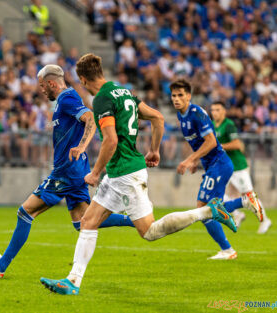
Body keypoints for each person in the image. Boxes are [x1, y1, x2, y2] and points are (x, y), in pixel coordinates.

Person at [39, 54, 237, 296]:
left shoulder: (102, 99)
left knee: (150, 232)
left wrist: (94, 172)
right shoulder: (124, 93)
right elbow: (158, 117)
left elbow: (110, 140)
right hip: (120, 173)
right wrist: (153, 149)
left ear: (83, 79)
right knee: (87, 222)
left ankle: (209, 211)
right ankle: (73, 281)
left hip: (125, 173)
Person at [0, 64, 136, 279]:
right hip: (77, 170)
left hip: (66, 172)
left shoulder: (66, 98)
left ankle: (0, 266)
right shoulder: (66, 99)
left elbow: (89, 117)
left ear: (51, 83)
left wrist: (81, 146)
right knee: (82, 221)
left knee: (26, 212)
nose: (41, 90)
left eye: (42, 86)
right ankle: (134, 218)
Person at [172, 80, 264, 260]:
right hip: (212, 165)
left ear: (189, 96)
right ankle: (228, 248)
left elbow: (212, 142)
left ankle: (244, 205)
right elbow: (199, 142)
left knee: (203, 209)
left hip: (219, 164)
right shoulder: (181, 116)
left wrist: (190, 159)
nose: (176, 99)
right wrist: (196, 161)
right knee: (210, 210)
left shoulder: (196, 113)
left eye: (181, 95)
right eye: (174, 95)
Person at [211, 101, 271, 234]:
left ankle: (264, 220)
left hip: (238, 166)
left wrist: (219, 147)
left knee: (248, 194)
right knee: (220, 194)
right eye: (213, 110)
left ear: (224, 112)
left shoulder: (229, 125)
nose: (215, 112)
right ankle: (237, 214)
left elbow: (237, 144)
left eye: (217, 110)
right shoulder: (214, 126)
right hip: (226, 166)